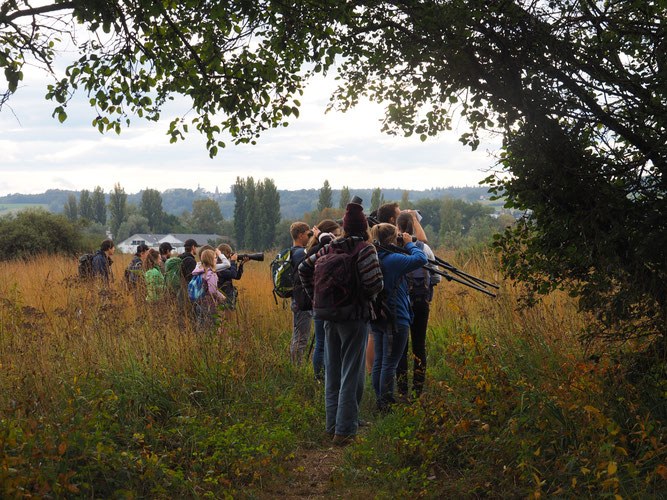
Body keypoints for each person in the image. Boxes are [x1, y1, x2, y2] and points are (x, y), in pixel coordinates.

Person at [299, 203, 383, 445]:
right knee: (350, 372)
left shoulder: (329, 248)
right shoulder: (365, 249)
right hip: (354, 317)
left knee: (333, 372)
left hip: (327, 316)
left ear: (344, 228)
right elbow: (374, 284)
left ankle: (332, 425)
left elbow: (304, 268)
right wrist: (368, 295)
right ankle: (345, 432)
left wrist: (316, 298)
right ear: (365, 227)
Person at [370, 223, 427, 413]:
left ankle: (380, 399)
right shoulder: (393, 260)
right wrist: (410, 243)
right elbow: (421, 259)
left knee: (379, 361)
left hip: (377, 316)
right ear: (392, 238)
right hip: (395, 316)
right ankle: (386, 403)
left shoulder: (374, 257)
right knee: (390, 363)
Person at [395, 212, 441, 399]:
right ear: (413, 228)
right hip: (422, 303)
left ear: (398, 228)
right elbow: (436, 277)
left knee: (401, 348)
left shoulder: (392, 249)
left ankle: (402, 392)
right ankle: (418, 391)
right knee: (419, 346)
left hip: (400, 304)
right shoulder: (424, 248)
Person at [304, 219, 341, 381]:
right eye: (336, 235)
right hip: (322, 302)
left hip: (320, 301)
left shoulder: (312, 249)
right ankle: (320, 378)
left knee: (323, 342)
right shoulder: (319, 250)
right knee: (321, 343)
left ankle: (323, 377)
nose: (339, 238)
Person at [289, 222, 313, 365]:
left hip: (296, 298)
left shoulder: (292, 251)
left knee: (297, 334)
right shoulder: (299, 253)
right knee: (301, 337)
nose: (310, 237)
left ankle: (295, 366)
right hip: (301, 300)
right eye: (308, 234)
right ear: (300, 235)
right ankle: (297, 367)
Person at [191, 249, 226, 329]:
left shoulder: (198, 271)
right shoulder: (210, 273)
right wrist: (222, 297)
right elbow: (213, 291)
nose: (216, 260)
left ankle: (199, 340)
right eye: (214, 258)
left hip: (198, 303)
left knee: (201, 326)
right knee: (212, 328)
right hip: (209, 305)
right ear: (210, 260)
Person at [216, 244, 248, 320]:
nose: (230, 256)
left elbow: (237, 276)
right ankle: (224, 331)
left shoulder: (224, 266)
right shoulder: (219, 266)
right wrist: (233, 261)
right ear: (225, 254)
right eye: (229, 254)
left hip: (227, 294)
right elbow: (233, 274)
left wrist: (241, 265)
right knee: (226, 320)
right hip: (224, 295)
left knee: (227, 319)